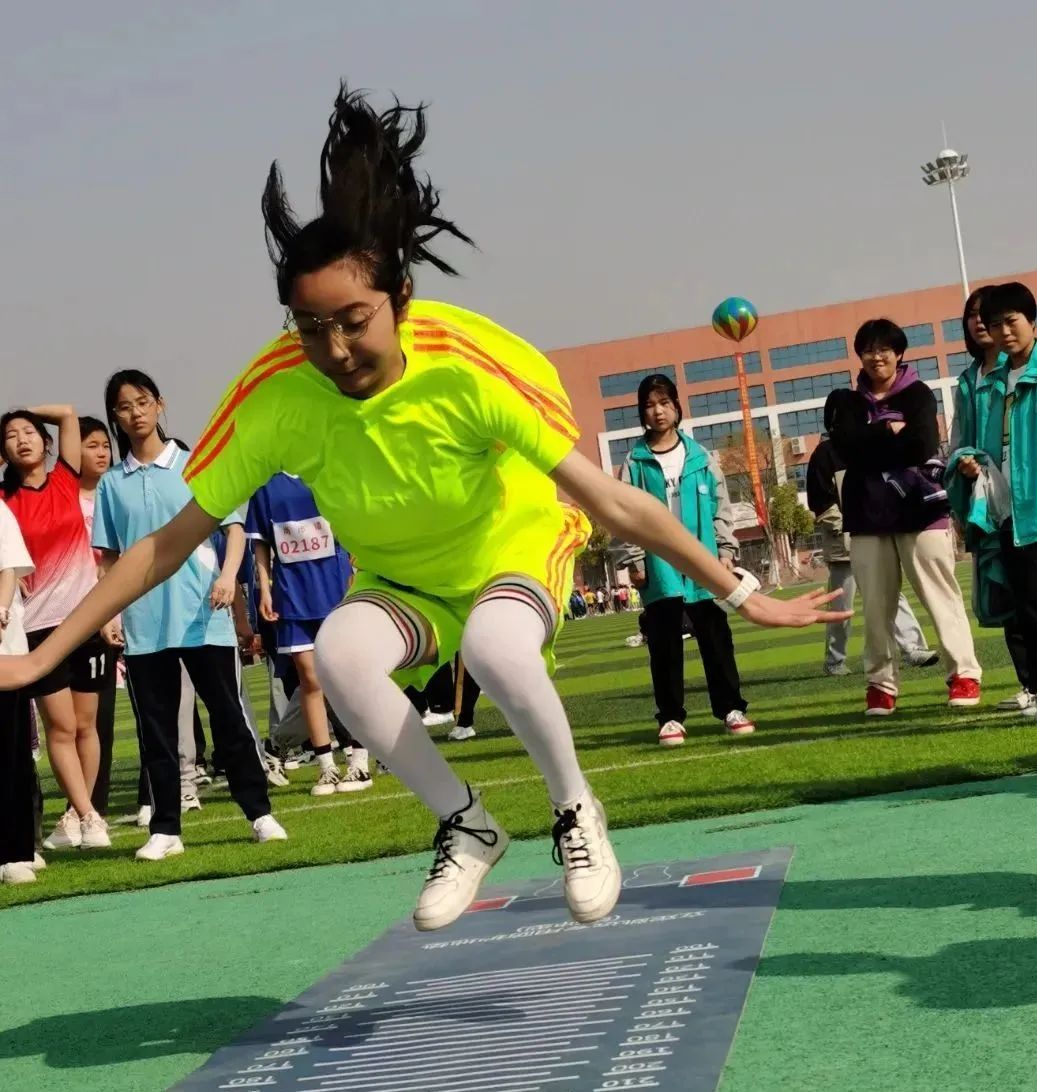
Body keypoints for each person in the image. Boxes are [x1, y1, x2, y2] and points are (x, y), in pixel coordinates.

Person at [0, 85, 846, 931]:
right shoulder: (275, 398)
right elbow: (163, 546)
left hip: (512, 545)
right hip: (405, 575)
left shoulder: (468, 365)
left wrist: (742, 592)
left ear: (400, 299)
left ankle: (576, 811)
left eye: (354, 321)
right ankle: (466, 823)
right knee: (338, 651)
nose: (333, 349)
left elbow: (614, 503)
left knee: (496, 644)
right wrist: (41, 663)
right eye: (309, 326)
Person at [93, 369, 286, 860]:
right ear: (115, 416)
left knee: (227, 717)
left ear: (160, 404)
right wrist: (108, 613)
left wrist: (228, 577)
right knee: (155, 729)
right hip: (143, 624)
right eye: (123, 407)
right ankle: (166, 829)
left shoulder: (197, 463)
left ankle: (259, 813)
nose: (134, 413)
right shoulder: (113, 484)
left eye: (141, 402)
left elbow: (235, 528)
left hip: (203, 613)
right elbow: (109, 559)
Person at [827, 319, 981, 716]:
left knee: (940, 597)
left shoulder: (918, 394)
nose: (876, 356)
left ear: (899, 354)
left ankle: (963, 674)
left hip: (921, 510)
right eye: (868, 349)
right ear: (859, 355)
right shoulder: (845, 401)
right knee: (876, 607)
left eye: (884, 349)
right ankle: (881, 685)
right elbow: (846, 450)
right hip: (866, 516)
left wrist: (875, 440)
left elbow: (921, 446)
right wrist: (888, 432)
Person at [951, 283, 1037, 723]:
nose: (1004, 331)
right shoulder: (994, 379)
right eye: (995, 323)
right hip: (1006, 508)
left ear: (1031, 320)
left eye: (1012, 321)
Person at [616, 375, 754, 744]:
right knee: (663, 643)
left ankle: (731, 708)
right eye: (649, 404)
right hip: (660, 562)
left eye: (664, 402)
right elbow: (623, 512)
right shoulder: (635, 462)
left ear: (677, 406)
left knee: (716, 637)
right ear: (641, 412)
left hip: (703, 561)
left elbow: (719, 508)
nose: (657, 411)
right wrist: (635, 558)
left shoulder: (700, 457)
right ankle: (671, 718)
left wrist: (726, 551)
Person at [1, 407, 111, 850]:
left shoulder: (67, 477)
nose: (22, 439)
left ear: (46, 443)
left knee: (88, 727)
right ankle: (87, 815)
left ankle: (78, 818)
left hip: (86, 620)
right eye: (11, 436)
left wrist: (24, 409)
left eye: (29, 432)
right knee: (61, 728)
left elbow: (66, 413)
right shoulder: (4, 501)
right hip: (39, 630)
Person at [247, 472, 371, 793]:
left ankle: (359, 761)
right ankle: (326, 766)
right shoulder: (265, 485)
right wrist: (264, 588)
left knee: (346, 675)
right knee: (309, 678)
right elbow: (260, 542)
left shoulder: (324, 468)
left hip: (335, 586)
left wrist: (357, 569)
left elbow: (352, 520)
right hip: (292, 593)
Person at [947, 285, 1033, 713]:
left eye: (991, 315)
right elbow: (959, 438)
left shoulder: (1016, 370)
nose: (981, 322)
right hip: (984, 502)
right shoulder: (967, 379)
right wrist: (962, 464)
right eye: (974, 315)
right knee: (1002, 594)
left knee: (1034, 594)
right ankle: (1030, 683)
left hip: (1021, 496)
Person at [806, 422, 941, 677]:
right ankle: (835, 660)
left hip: (874, 533)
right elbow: (820, 499)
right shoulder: (825, 452)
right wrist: (843, 526)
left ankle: (912, 647)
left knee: (892, 592)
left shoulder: (869, 444)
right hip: (843, 543)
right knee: (840, 604)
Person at [77, 416, 125, 815]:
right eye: (91, 445)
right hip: (75, 618)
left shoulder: (114, 493)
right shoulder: (63, 500)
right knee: (76, 721)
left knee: (105, 717)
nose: (102, 452)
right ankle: (83, 804)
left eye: (104, 445)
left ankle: (100, 804)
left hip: (120, 612)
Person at [0, 500, 43, 883]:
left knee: (11, 752)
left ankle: (16, 851)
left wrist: (0, 608)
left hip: (4, 652)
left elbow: (9, 569)